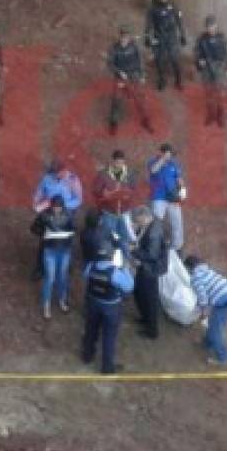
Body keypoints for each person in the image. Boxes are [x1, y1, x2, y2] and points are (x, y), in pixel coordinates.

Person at [81, 237, 134, 375]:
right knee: (109, 336)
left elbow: (85, 276)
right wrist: (126, 269)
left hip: (93, 304)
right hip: (111, 308)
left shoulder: (90, 267)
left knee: (90, 331)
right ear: (111, 254)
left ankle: (87, 356)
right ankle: (107, 367)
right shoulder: (115, 273)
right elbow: (128, 287)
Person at [184, 256, 227, 365]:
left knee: (215, 332)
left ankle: (224, 358)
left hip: (224, 304)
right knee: (214, 324)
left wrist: (203, 311)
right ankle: (206, 344)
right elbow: (210, 291)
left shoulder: (195, 278)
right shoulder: (207, 270)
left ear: (189, 268)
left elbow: (202, 297)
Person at [31, 194, 76, 319]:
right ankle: (46, 304)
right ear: (51, 205)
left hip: (64, 250)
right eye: (55, 207)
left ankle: (62, 300)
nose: (57, 209)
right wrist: (44, 233)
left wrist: (68, 235)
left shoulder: (68, 215)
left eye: (59, 207)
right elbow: (33, 228)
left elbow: (73, 229)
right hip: (50, 250)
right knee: (49, 278)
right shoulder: (44, 215)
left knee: (62, 277)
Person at [130, 205, 168, 340]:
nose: (137, 223)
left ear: (145, 217)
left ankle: (152, 331)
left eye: (138, 220)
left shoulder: (154, 233)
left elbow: (152, 254)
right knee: (139, 293)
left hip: (150, 269)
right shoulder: (149, 225)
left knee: (149, 299)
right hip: (145, 267)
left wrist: (134, 250)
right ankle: (145, 319)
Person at [107, 25, 153, 135]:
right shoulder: (114, 48)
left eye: (127, 37)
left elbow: (140, 61)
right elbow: (110, 64)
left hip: (133, 75)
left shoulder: (134, 47)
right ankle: (114, 122)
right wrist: (119, 72)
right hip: (121, 77)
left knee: (139, 99)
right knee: (116, 100)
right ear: (120, 36)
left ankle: (146, 121)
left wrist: (142, 75)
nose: (125, 39)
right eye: (123, 36)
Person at [145, 0, 187, 91]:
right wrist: (147, 37)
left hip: (172, 37)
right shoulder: (153, 8)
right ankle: (162, 80)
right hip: (158, 36)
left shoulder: (174, 7)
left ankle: (178, 80)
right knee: (159, 60)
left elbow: (179, 22)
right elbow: (148, 24)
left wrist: (182, 35)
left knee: (174, 59)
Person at [92, 150, 137, 249]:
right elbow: (96, 190)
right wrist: (104, 192)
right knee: (107, 238)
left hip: (124, 211)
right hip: (109, 212)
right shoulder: (103, 174)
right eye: (117, 163)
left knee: (125, 239)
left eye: (122, 163)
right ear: (112, 161)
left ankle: (125, 263)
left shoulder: (129, 174)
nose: (119, 165)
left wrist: (127, 193)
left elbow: (133, 188)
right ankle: (110, 262)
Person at [147, 143, 185, 253]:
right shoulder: (153, 161)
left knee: (177, 222)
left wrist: (183, 191)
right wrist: (162, 160)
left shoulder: (174, 163)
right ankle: (155, 246)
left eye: (170, 154)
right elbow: (153, 170)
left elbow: (179, 178)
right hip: (159, 197)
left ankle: (177, 247)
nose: (169, 156)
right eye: (167, 154)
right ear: (161, 152)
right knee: (157, 222)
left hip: (172, 197)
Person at [195, 15, 227, 128]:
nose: (210, 28)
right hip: (207, 70)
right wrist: (199, 61)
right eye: (208, 26)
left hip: (219, 69)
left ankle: (220, 116)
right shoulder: (201, 39)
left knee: (220, 94)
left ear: (216, 26)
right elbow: (197, 53)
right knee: (208, 94)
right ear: (206, 27)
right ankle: (211, 115)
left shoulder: (222, 38)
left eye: (212, 26)